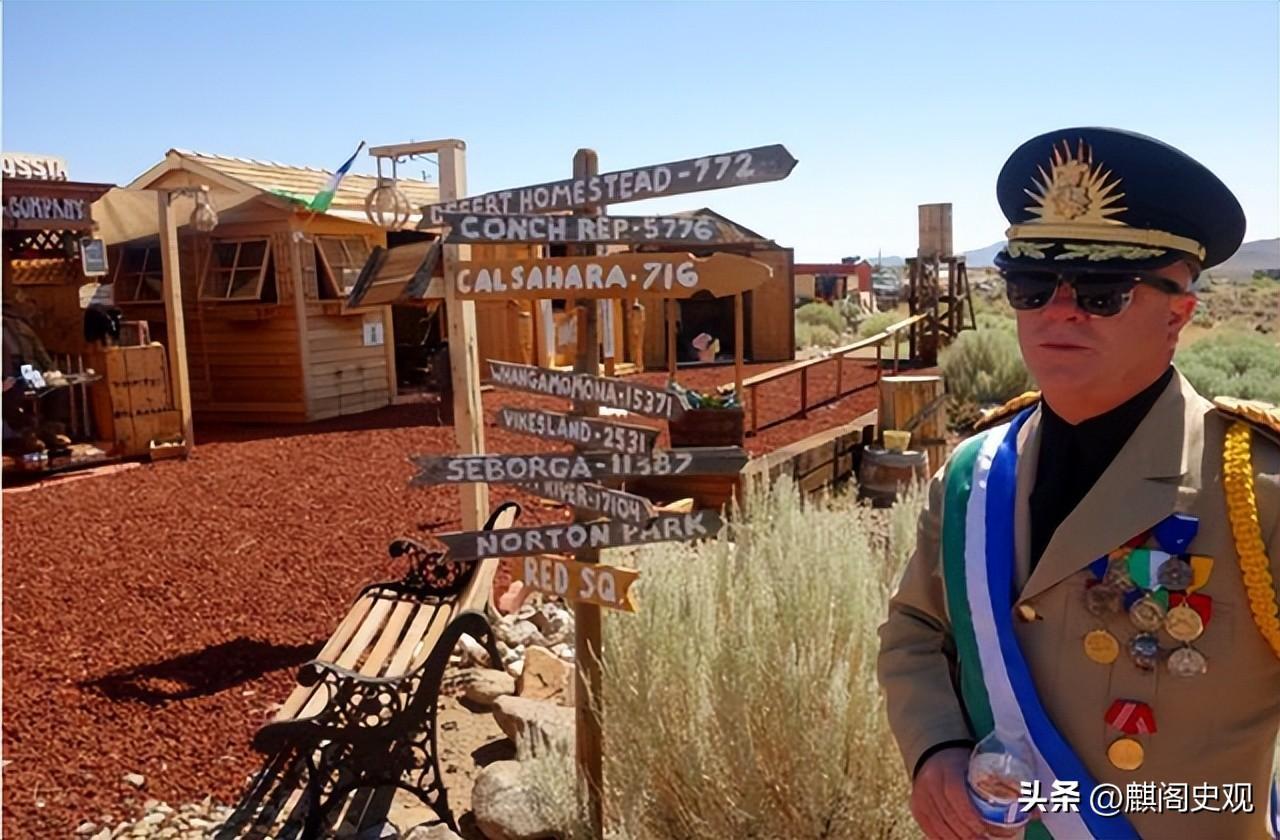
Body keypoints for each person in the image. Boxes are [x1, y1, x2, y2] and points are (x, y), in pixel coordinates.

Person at [877, 127, 1280, 839]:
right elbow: (917, 630)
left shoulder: (1255, 490)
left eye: (1101, 292)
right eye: (1031, 287)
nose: (1058, 310)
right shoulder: (974, 474)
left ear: (1178, 313)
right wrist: (935, 748)